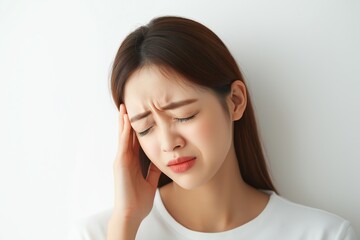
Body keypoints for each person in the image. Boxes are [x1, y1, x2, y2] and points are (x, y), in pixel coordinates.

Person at [68, 16, 358, 240]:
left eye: (184, 115)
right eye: (145, 127)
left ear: (235, 101)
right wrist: (126, 223)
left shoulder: (324, 234)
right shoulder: (101, 233)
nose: (169, 143)